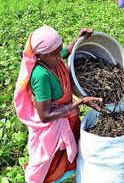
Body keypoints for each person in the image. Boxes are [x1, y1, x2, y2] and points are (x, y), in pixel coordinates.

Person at [14, 26, 103, 183]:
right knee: (50, 162)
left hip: (68, 118)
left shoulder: (54, 60)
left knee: (66, 157)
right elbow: (45, 115)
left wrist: (80, 38)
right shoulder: (41, 76)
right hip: (51, 128)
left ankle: (65, 176)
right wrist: (80, 102)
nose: (59, 56)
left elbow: (68, 50)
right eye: (54, 53)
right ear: (39, 56)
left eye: (59, 49)